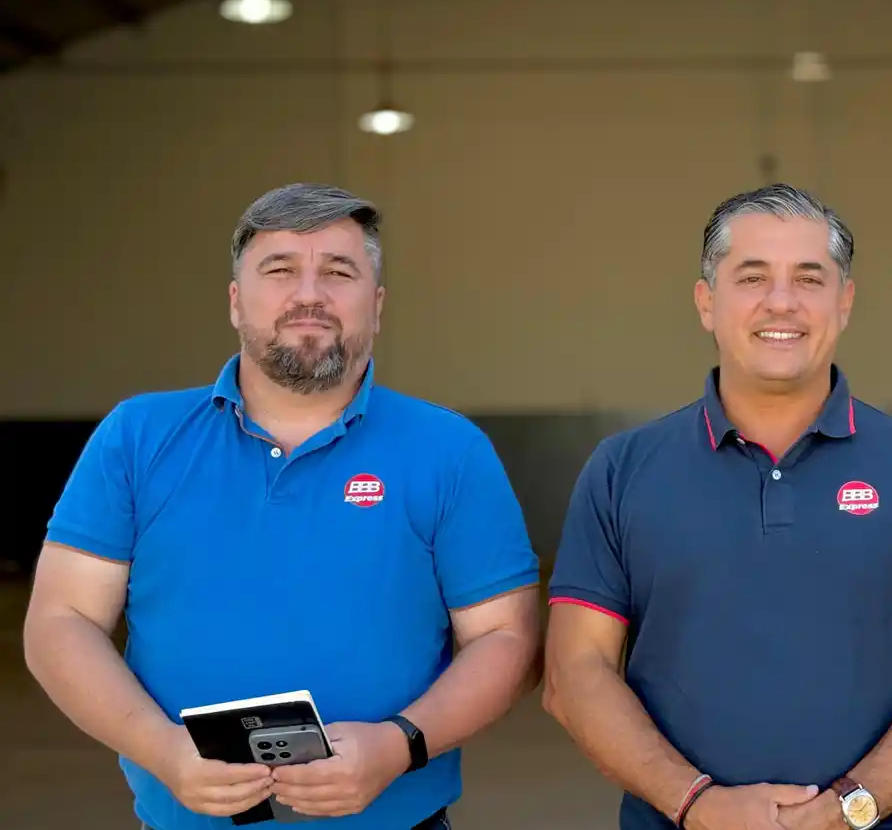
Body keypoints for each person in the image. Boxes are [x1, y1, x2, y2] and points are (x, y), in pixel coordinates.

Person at [23, 183, 542, 830]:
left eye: (339, 271)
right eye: (280, 270)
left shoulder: (449, 451)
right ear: (236, 302)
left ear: (375, 307)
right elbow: (60, 620)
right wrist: (164, 753)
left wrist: (398, 745)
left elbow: (507, 638)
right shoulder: (137, 437)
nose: (309, 294)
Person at [541, 183, 892, 830]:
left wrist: (847, 810)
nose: (781, 302)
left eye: (809, 279)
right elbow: (575, 671)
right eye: (752, 277)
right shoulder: (622, 472)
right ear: (706, 302)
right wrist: (696, 805)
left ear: (844, 302)